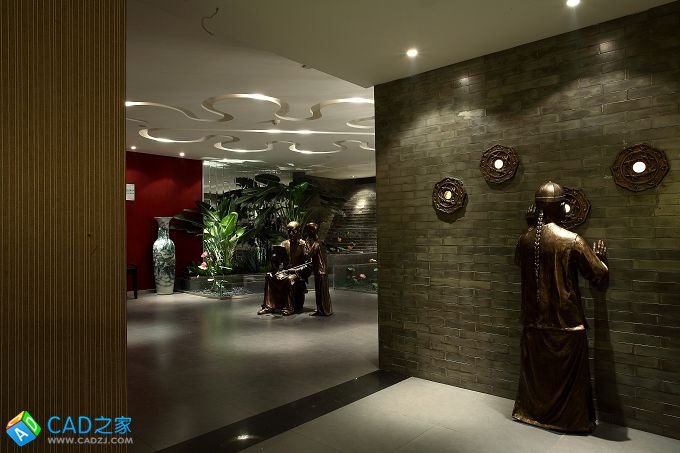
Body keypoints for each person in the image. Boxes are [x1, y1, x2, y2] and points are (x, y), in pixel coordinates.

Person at [513, 181, 608, 433]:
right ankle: (570, 420)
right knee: (570, 378)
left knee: (537, 375)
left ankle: (530, 413)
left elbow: (521, 263)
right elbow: (598, 275)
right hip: (567, 322)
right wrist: (601, 259)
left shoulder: (525, 239)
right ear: (561, 207)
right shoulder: (572, 240)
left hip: (533, 321)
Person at [258, 221, 309, 316]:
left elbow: (308, 264)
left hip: (297, 273)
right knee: (269, 276)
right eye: (289, 231)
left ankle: (289, 307)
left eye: (293, 231)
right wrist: (274, 259)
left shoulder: (303, 245)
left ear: (298, 231)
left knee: (289, 280)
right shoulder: (284, 244)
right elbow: (278, 260)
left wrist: (296, 270)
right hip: (285, 271)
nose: (291, 233)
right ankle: (268, 306)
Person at [304, 222, 333, 316]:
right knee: (322, 292)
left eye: (308, 231)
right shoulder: (320, 242)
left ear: (312, 231)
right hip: (322, 270)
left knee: (321, 292)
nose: (307, 233)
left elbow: (307, 255)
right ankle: (323, 309)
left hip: (320, 270)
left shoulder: (316, 244)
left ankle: (322, 310)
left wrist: (306, 244)